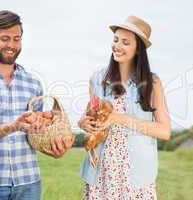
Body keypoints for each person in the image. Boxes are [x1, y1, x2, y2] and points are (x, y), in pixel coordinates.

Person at [0, 10, 73, 200]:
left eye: (16, 39)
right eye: (5, 38)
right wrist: (13, 126)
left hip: (29, 185)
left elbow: (35, 135)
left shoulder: (33, 82)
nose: (11, 45)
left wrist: (54, 149)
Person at [78, 15, 171, 199]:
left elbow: (164, 131)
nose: (117, 46)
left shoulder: (152, 83)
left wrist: (117, 118)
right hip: (101, 173)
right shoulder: (97, 79)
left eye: (125, 42)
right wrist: (83, 123)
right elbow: (90, 117)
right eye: (115, 40)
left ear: (138, 50)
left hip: (134, 177)